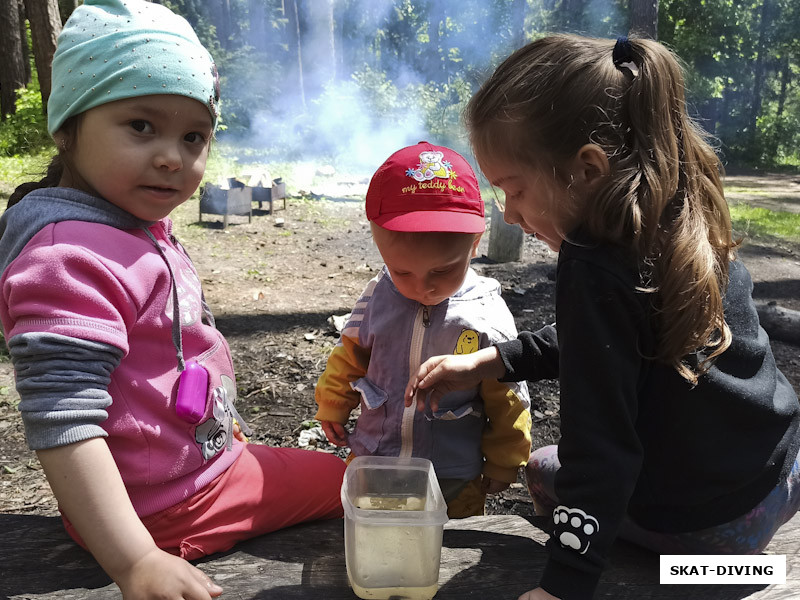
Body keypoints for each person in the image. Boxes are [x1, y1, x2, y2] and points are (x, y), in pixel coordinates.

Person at [404, 35, 800, 600]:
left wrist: (564, 587)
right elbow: (622, 338)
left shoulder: (592, 265)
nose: (509, 214)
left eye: (513, 190)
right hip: (777, 479)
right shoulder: (683, 203)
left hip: (706, 531)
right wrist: (495, 361)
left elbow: (601, 449)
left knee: (545, 468)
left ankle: (713, 576)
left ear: (588, 169)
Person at [0, 1, 345, 598]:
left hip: (178, 475)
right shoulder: (73, 255)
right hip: (168, 508)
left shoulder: (117, 221)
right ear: (68, 126)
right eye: (141, 126)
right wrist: (135, 561)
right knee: (353, 483)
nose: (171, 156)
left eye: (193, 137)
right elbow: (62, 416)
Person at [315, 141, 532, 518]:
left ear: (474, 245)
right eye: (402, 272)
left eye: (443, 271)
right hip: (375, 457)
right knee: (373, 539)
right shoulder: (378, 295)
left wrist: (504, 460)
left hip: (452, 472)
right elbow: (349, 356)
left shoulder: (485, 315)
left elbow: (508, 395)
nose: (422, 288)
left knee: (451, 553)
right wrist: (333, 404)